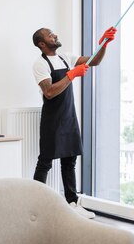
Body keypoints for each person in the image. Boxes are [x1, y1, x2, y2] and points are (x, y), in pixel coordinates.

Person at [32, 26, 116, 219]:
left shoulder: (65, 57)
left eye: (54, 32)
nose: (55, 35)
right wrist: (71, 75)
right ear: (42, 44)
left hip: (69, 116)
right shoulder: (39, 64)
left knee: (69, 161)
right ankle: (34, 204)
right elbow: (49, 92)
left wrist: (104, 44)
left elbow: (94, 60)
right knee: (45, 162)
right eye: (50, 35)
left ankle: (72, 202)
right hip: (52, 119)